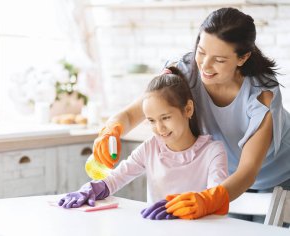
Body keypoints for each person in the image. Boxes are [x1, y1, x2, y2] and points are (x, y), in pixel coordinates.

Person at [92, 7, 290, 221]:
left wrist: (209, 199)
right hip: (228, 180)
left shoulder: (262, 95)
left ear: (242, 58)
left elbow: (248, 171)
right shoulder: (185, 72)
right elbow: (131, 115)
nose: (205, 65)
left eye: (219, 60)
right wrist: (111, 130)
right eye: (201, 51)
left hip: (280, 178)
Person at [58, 66, 229, 220]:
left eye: (166, 118)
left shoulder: (213, 151)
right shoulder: (151, 147)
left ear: (188, 109)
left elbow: (215, 196)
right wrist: (94, 189)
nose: (160, 128)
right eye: (151, 121)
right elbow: (117, 178)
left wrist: (188, 208)